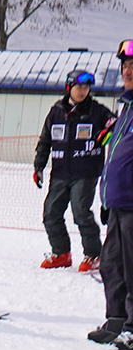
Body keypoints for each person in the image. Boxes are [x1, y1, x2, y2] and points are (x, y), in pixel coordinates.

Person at [34, 69, 115, 271]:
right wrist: (39, 166)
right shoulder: (56, 111)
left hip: (85, 172)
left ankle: (94, 255)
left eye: (86, 88)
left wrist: (107, 133)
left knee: (81, 212)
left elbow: (117, 126)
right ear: (69, 87)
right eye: (79, 87)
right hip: (60, 172)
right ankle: (61, 253)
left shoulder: (97, 111)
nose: (83, 91)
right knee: (51, 213)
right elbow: (45, 141)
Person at [94, 41, 133, 348]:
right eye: (125, 66)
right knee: (112, 265)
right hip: (118, 202)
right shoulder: (126, 108)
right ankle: (118, 319)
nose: (127, 72)